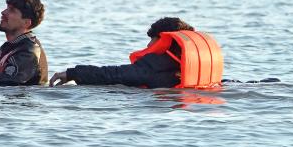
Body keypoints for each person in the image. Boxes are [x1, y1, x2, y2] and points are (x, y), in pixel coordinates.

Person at [49, 17, 210, 88]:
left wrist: (73, 73)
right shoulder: (194, 63)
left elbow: (113, 75)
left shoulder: (156, 65)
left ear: (165, 40)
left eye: (153, 39)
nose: (148, 44)